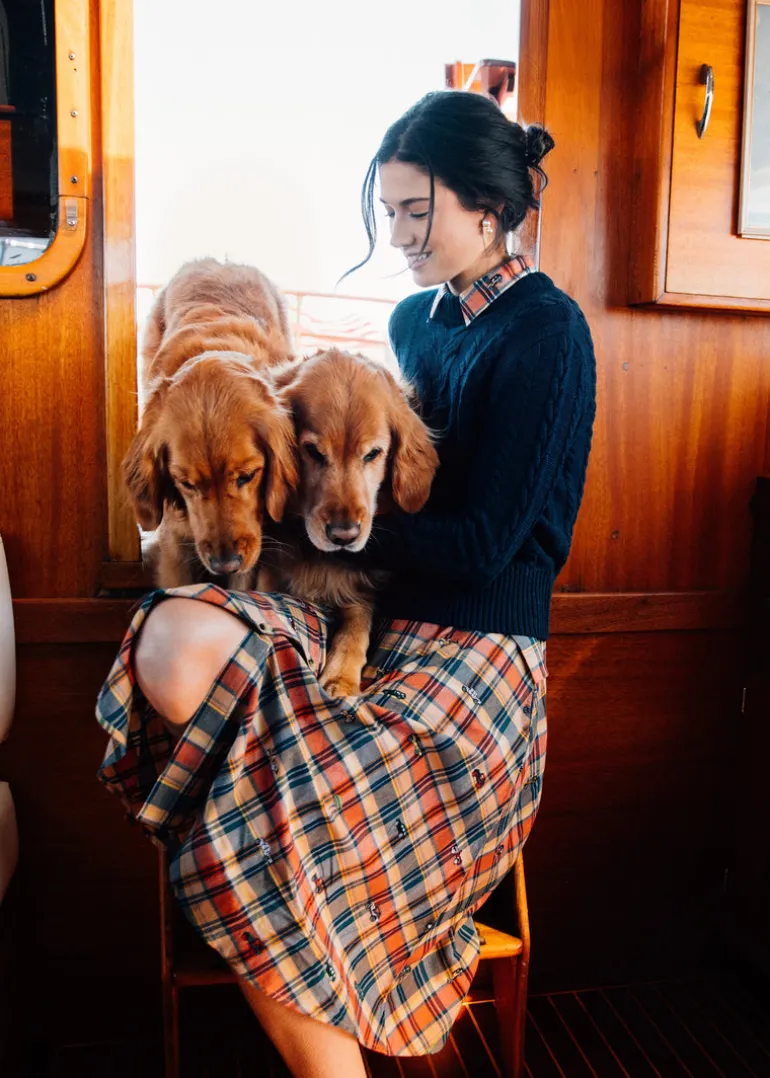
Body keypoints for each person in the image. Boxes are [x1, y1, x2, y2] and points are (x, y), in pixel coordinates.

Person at [96, 90, 596, 1078]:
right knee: (176, 643)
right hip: (378, 635)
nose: (401, 235)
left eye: (420, 211)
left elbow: (491, 543)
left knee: (221, 835)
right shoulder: (414, 321)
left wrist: (346, 523)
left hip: (473, 681)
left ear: (489, 207)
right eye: (388, 212)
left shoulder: (547, 334)